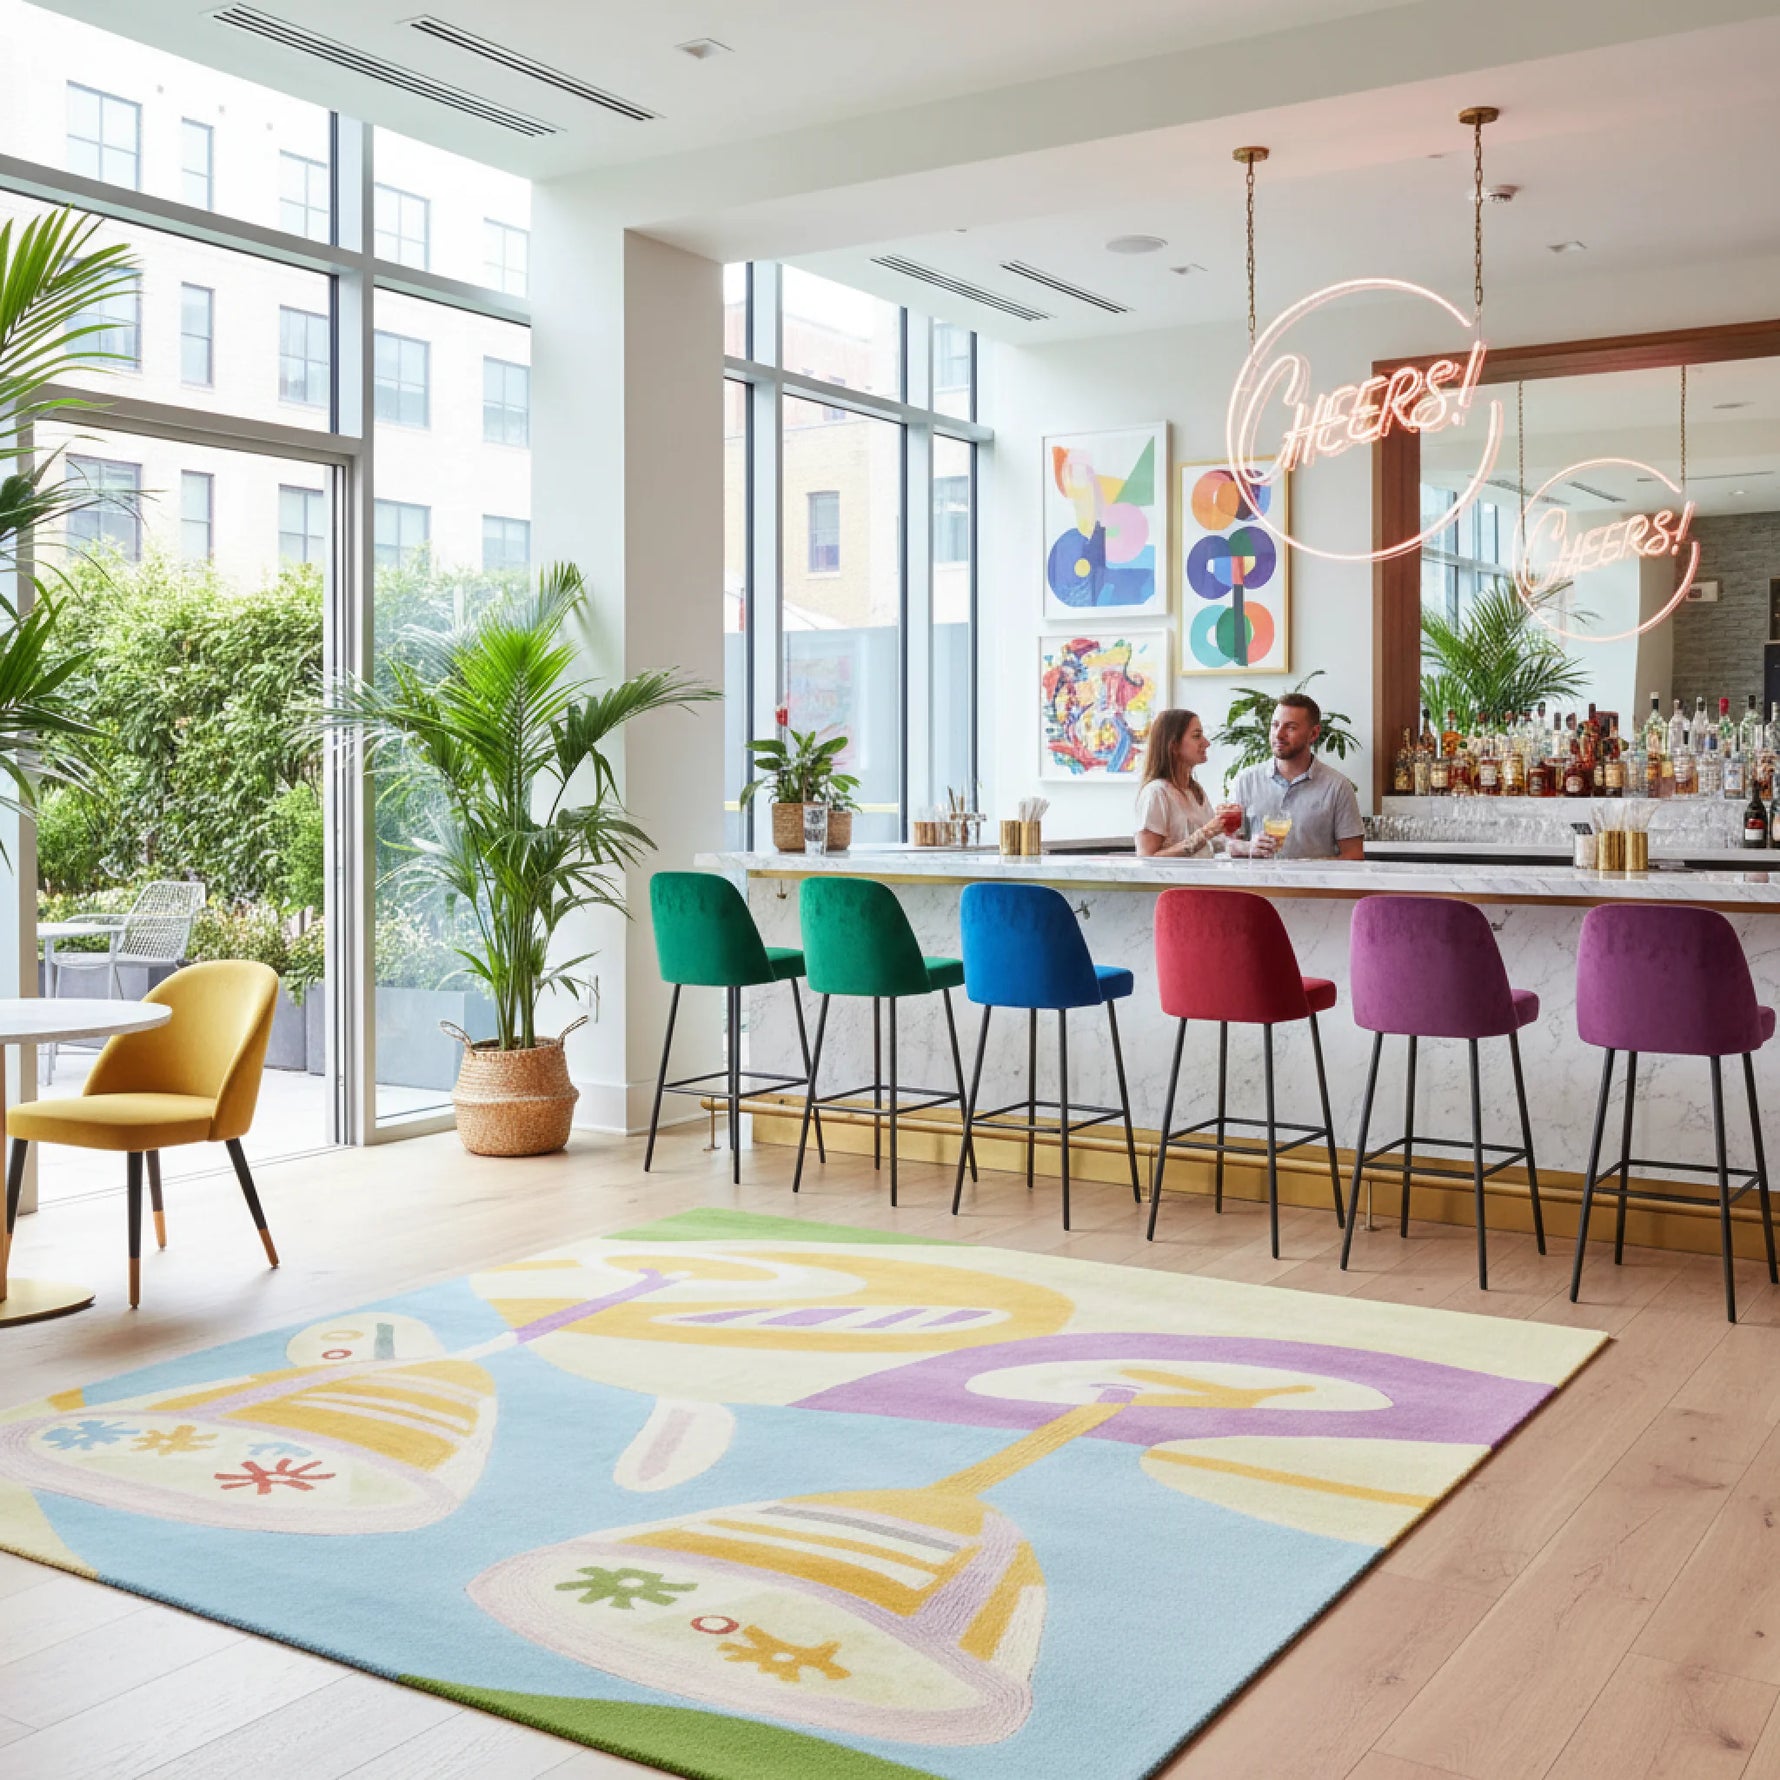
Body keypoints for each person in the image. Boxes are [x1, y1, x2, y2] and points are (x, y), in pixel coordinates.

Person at [1229, 692, 1365, 860]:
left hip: (1314, 878)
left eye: (1290, 727)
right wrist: (1249, 847)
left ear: (1313, 734)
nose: (1279, 734)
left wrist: (1310, 866)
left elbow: (1354, 854)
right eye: (1275, 725)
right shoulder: (1245, 781)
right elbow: (1228, 844)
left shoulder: (1337, 787)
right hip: (1256, 878)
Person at [1134, 708, 1233, 857]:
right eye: (1196, 736)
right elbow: (1147, 858)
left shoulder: (1195, 790)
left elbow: (1212, 845)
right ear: (1174, 746)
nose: (1206, 743)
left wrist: (1246, 843)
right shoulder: (1157, 793)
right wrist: (1207, 831)